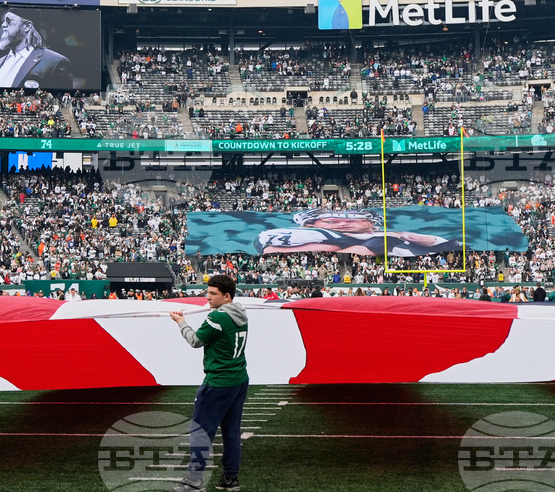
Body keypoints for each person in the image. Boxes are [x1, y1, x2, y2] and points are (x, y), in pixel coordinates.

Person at [169, 274, 248, 492]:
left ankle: (194, 481)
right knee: (231, 430)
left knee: (201, 431)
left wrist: (180, 322)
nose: (208, 297)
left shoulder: (219, 317)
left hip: (219, 382)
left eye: (213, 294)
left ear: (227, 296)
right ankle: (230, 478)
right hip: (239, 379)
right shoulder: (239, 312)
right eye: (208, 292)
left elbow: (195, 341)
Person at [256, 208, 461, 257]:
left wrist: (432, 241)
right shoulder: (319, 238)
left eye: (354, 220)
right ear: (311, 224)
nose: (343, 224)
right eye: (330, 220)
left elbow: (452, 245)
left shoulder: (394, 234)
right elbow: (269, 249)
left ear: (370, 224)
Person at [0, 11, 73, 89]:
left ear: (27, 26)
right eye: (4, 21)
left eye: (9, 21)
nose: (3, 25)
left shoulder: (55, 62)